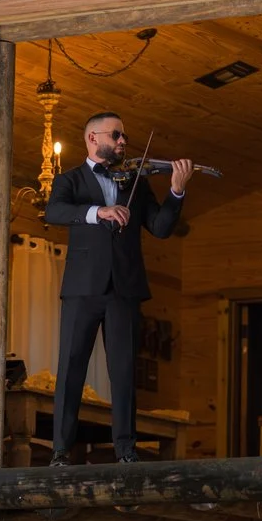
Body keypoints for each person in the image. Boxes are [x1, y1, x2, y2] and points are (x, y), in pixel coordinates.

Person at [42, 112, 193, 463]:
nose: (123, 141)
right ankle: (61, 451)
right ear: (93, 139)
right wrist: (100, 212)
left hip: (124, 289)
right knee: (71, 371)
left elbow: (160, 227)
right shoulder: (70, 180)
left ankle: (126, 450)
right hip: (82, 288)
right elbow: (55, 212)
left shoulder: (135, 182)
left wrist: (177, 190)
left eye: (124, 136)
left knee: (124, 372)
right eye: (117, 135)